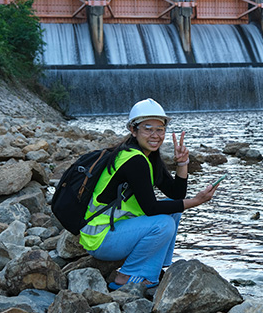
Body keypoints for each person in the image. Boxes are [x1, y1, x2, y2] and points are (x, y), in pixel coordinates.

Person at [79, 98, 219, 290]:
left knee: (173, 209)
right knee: (163, 224)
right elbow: (151, 208)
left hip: (117, 229)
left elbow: (176, 194)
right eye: (148, 128)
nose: (155, 135)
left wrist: (182, 163)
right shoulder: (133, 160)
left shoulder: (147, 157)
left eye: (160, 129)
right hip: (100, 237)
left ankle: (152, 270)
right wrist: (195, 201)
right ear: (133, 130)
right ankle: (126, 276)